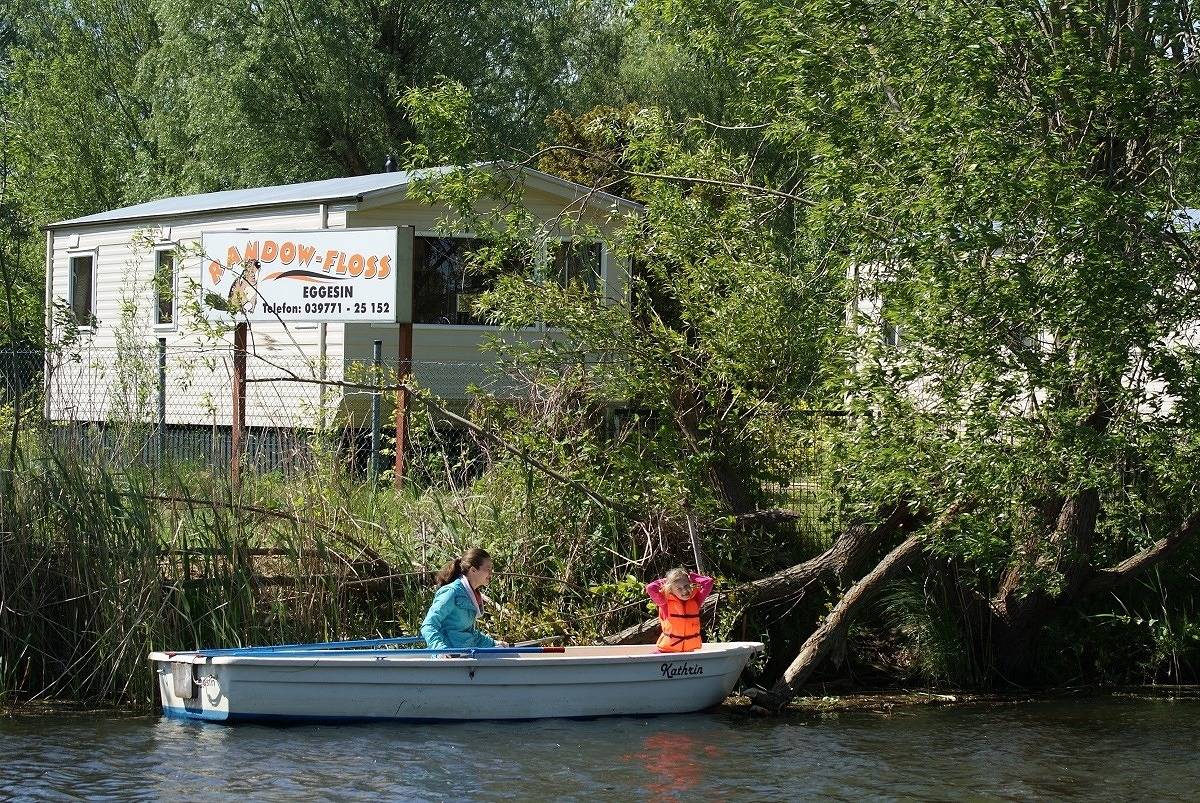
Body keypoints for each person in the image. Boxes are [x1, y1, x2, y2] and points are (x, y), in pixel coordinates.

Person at [420, 547, 509, 650]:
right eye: (488, 569)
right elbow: (428, 625)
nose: (491, 573)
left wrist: (494, 643)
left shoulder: (470, 594)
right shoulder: (451, 592)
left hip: (464, 658)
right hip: (448, 660)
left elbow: (468, 635)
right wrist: (441, 650)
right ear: (473, 570)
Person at [646, 568, 714, 653]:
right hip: (666, 651)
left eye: (686, 586)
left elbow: (708, 582)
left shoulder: (696, 600)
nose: (685, 591)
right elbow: (650, 588)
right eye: (679, 588)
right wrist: (668, 580)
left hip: (687, 652)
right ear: (671, 590)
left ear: (690, 584)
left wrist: (691, 576)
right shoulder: (664, 604)